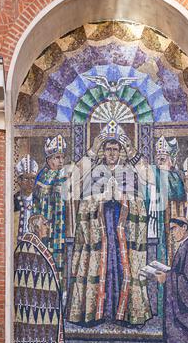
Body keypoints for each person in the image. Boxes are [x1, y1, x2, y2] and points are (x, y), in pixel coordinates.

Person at [66, 129, 154, 327]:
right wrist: (101, 198)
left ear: (121, 151)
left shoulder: (130, 172)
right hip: (100, 231)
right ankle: (96, 313)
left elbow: (150, 178)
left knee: (124, 269)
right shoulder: (95, 171)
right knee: (100, 267)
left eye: (116, 149)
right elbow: (73, 179)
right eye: (108, 149)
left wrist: (123, 198)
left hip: (122, 231)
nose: (112, 153)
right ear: (103, 151)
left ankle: (125, 314)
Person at [14, 214, 65, 343]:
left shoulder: (37, 247)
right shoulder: (26, 248)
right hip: (32, 315)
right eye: (45, 224)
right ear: (36, 227)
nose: (48, 228)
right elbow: (23, 282)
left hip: (44, 314)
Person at [148, 135, 186, 316]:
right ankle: (153, 307)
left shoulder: (175, 179)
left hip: (167, 228)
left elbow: (178, 204)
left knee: (168, 262)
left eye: (164, 157)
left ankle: (168, 308)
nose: (160, 160)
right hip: (151, 226)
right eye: (158, 157)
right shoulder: (151, 174)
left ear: (170, 159)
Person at [33, 134, 68, 288]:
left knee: (61, 260)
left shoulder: (64, 175)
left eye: (62, 157)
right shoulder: (43, 177)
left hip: (62, 228)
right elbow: (37, 204)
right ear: (49, 159)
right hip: (47, 227)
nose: (60, 161)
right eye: (57, 157)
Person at [14, 155, 38, 247]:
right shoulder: (14, 200)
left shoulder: (39, 200)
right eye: (26, 178)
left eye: (33, 179)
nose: (30, 182)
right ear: (19, 181)